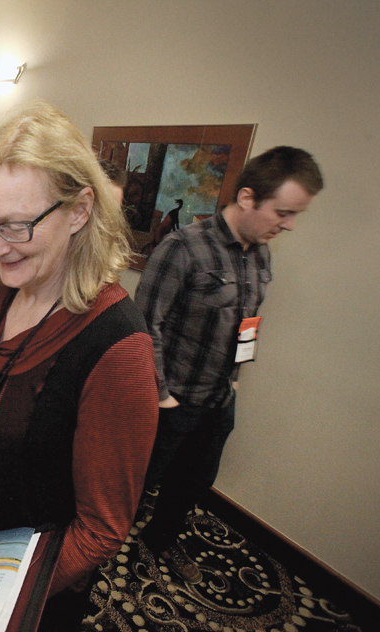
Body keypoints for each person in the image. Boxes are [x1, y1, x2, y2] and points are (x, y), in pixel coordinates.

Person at [0, 101, 159, 632]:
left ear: (78, 210)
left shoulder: (116, 346)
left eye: (16, 226)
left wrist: (2, 595)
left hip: (33, 580)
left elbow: (102, 528)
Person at [135, 146, 323, 585]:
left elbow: (248, 323)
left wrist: (236, 380)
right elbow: (145, 328)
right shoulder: (182, 249)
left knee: (191, 485)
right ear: (246, 198)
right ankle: (98, 548)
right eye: (284, 212)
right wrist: (163, 396)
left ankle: (159, 541)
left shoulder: (261, 254)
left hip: (219, 400)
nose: (290, 225)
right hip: (170, 402)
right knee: (135, 482)